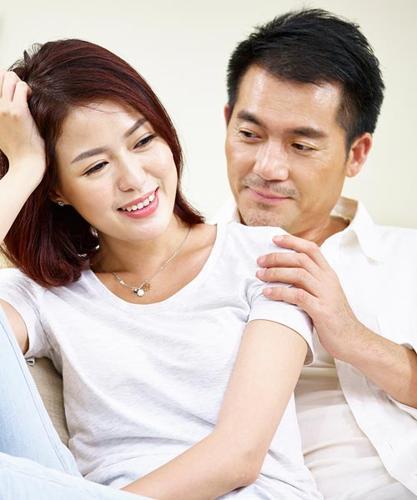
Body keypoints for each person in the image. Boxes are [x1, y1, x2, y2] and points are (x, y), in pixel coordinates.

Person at [0, 39, 322, 499]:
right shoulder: (43, 295)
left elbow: (239, 456)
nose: (134, 178)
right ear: (57, 190)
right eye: (95, 167)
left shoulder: (266, 257)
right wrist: (25, 167)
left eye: (143, 141)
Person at [218, 8, 417, 499]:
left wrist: (351, 337)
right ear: (227, 123)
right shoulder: (181, 265)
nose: (268, 167)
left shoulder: (408, 256)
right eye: (249, 135)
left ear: (356, 154)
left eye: (301, 146)